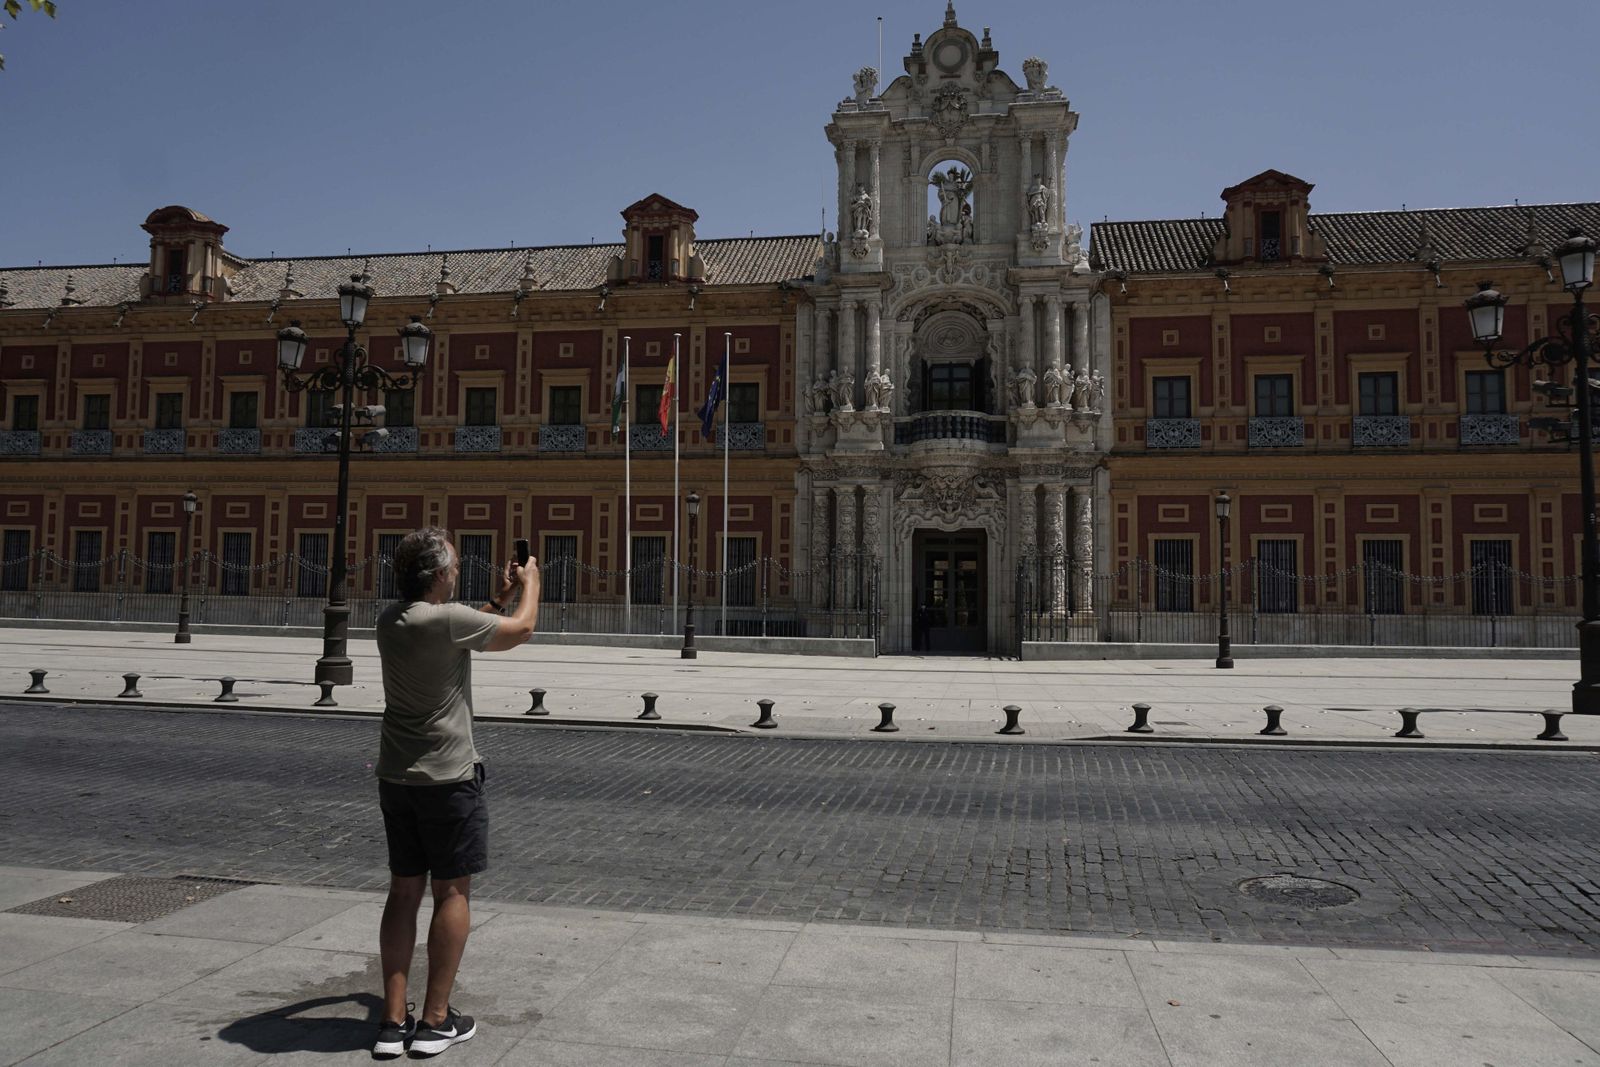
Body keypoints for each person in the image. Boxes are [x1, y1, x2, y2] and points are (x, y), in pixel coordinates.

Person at [371, 527, 539, 1059]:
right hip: (447, 777)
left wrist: (498, 598)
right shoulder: (447, 620)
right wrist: (530, 585)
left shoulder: (391, 619)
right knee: (451, 893)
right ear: (440, 574)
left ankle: (393, 1022)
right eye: (456, 566)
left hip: (396, 775)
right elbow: (522, 630)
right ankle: (437, 1021)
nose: (460, 571)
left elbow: (464, 624)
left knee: (403, 893)